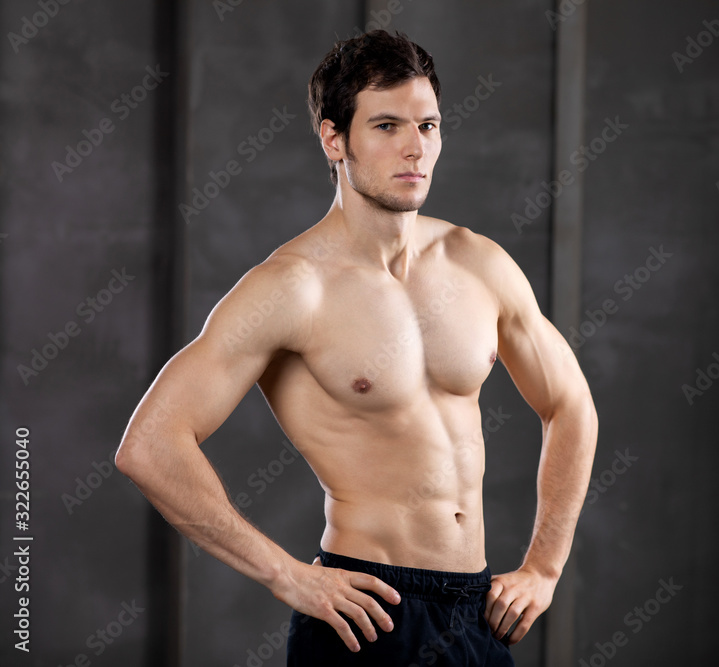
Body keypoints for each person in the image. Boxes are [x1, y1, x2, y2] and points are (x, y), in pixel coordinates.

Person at [116, 29, 598, 666]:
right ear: (333, 139)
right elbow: (150, 444)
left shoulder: (478, 263)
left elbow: (570, 404)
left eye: (428, 125)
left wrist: (545, 566)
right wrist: (287, 575)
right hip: (365, 618)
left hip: (475, 613)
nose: (414, 147)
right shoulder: (292, 287)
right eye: (387, 125)